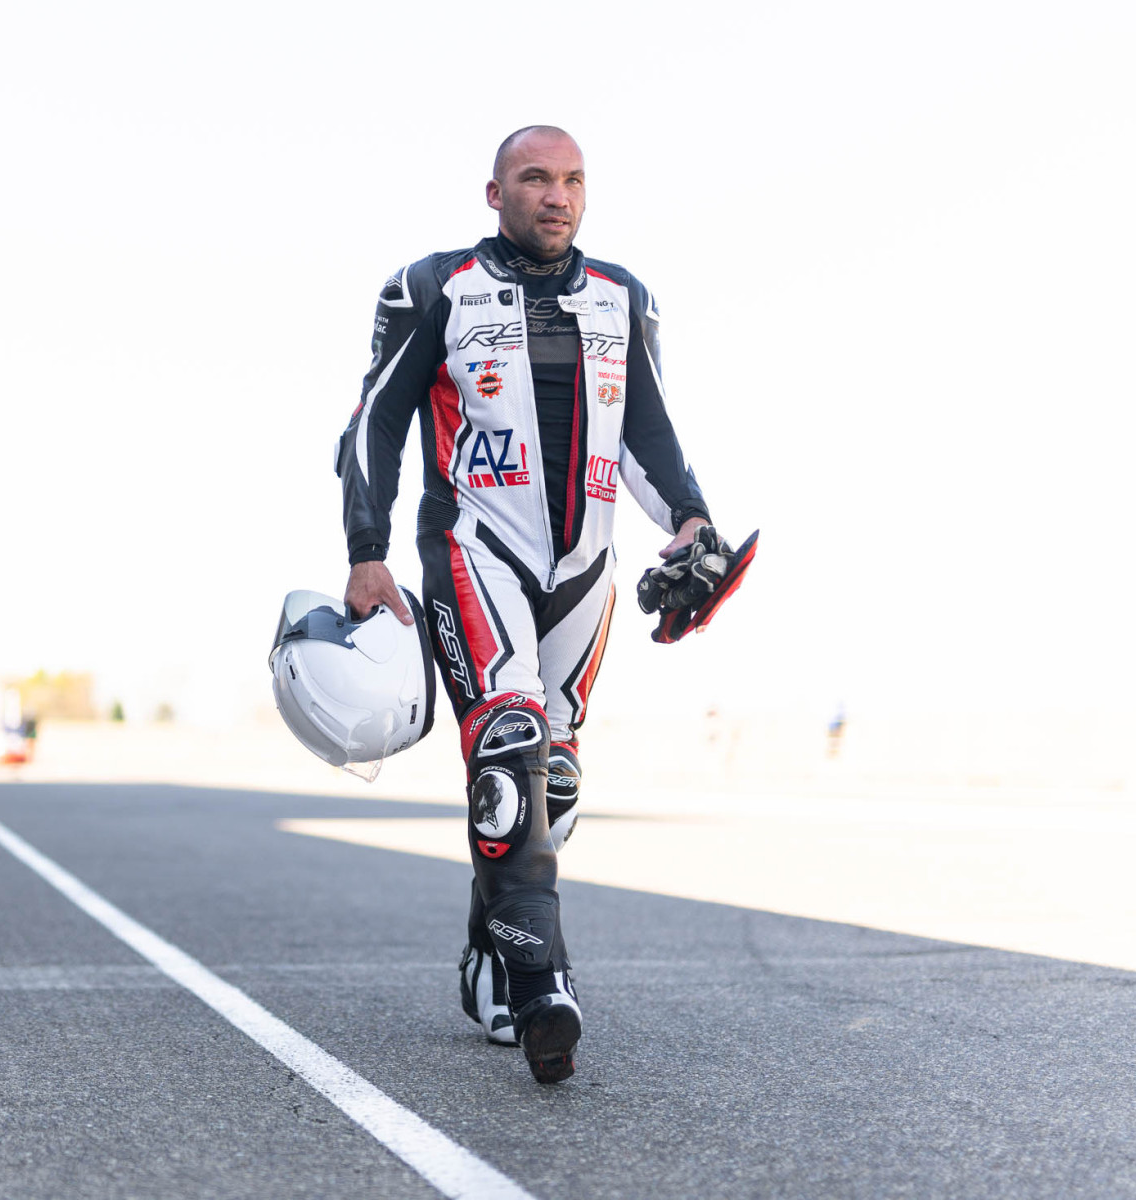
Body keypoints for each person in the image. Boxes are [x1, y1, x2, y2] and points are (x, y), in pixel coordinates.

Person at [335, 126, 724, 1083]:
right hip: (474, 546)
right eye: (536, 178)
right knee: (507, 748)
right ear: (495, 192)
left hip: (585, 566)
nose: (558, 196)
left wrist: (691, 523)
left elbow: (649, 432)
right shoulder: (434, 286)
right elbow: (375, 422)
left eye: (574, 180)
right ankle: (542, 985)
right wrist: (366, 552)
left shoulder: (623, 297)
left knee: (553, 784)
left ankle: (490, 952)